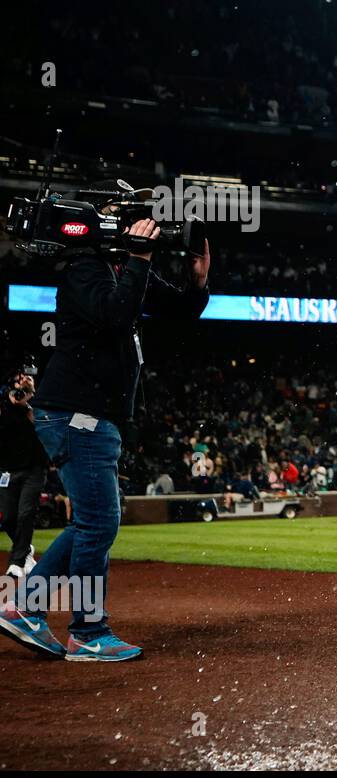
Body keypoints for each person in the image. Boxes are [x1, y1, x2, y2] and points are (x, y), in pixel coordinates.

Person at [0, 214, 210, 662]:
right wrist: (137, 258)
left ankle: (24, 608)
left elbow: (180, 310)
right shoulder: (86, 267)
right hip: (78, 414)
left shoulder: (118, 268)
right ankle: (87, 631)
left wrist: (196, 282)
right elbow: (116, 316)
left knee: (92, 522)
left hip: (90, 415)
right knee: (98, 522)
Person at [1, 367, 48, 579]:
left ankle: (17, 562)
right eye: (20, 378)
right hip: (8, 470)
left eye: (28, 378)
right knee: (8, 518)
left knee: (26, 513)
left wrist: (26, 405)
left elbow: (44, 428)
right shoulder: (4, 403)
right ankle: (26, 549)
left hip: (34, 468)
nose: (24, 380)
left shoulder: (40, 402)